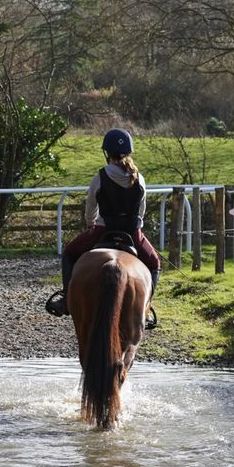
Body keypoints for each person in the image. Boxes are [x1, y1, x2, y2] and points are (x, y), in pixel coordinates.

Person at [45, 128, 162, 324]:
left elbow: (91, 208)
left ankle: (66, 299)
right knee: (154, 263)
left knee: (69, 253)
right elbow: (140, 212)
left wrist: (91, 224)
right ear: (129, 152)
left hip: (102, 230)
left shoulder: (100, 177)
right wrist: (136, 229)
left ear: (107, 153)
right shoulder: (139, 178)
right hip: (132, 233)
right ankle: (146, 309)